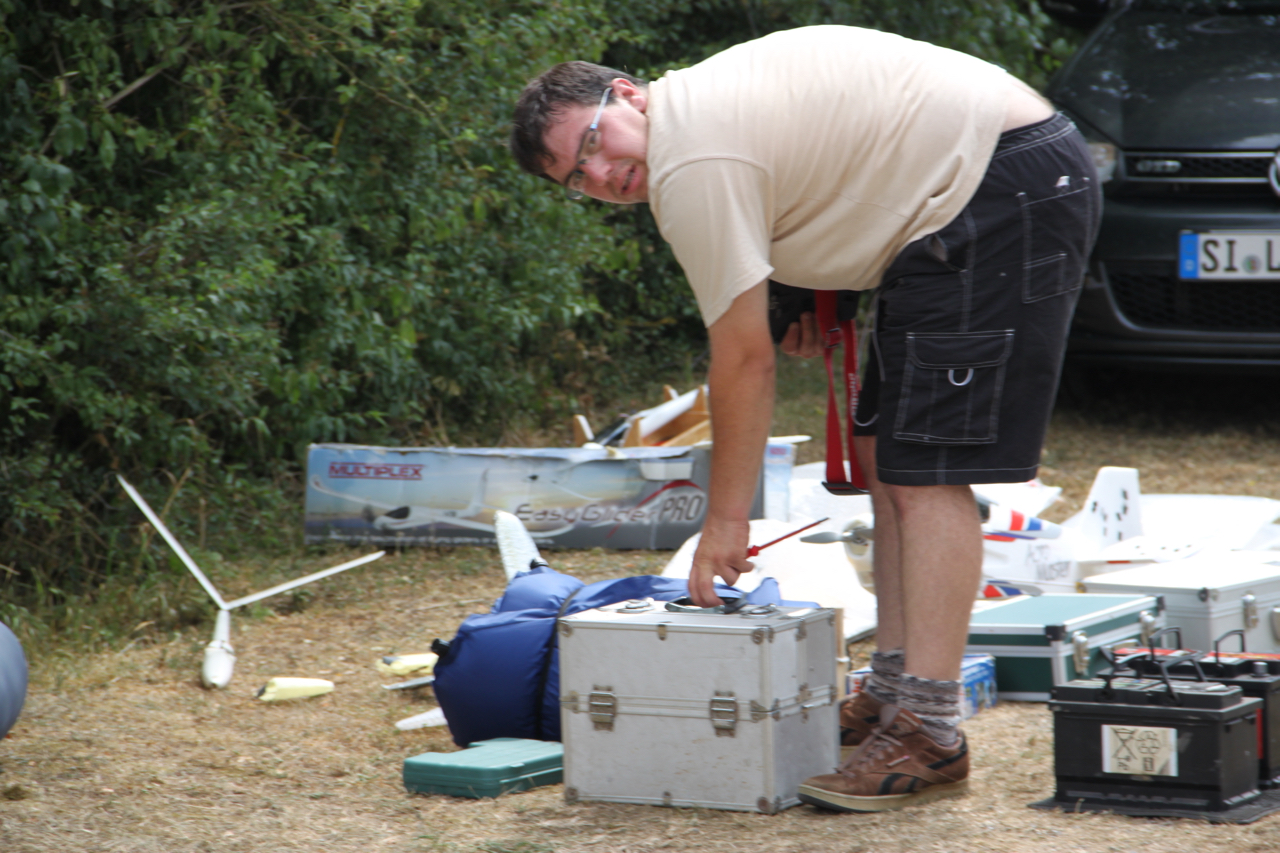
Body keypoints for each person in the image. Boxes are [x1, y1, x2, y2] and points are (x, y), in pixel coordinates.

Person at [510, 24, 1099, 813]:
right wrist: (807, 286)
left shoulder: (692, 160)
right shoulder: (696, 110)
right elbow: (832, 160)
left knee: (928, 471)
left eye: (593, 143)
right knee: (887, 455)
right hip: (972, 184)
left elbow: (743, 361)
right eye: (577, 177)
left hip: (999, 185)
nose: (602, 175)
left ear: (625, 95)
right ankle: (893, 690)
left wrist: (726, 522)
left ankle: (929, 729)